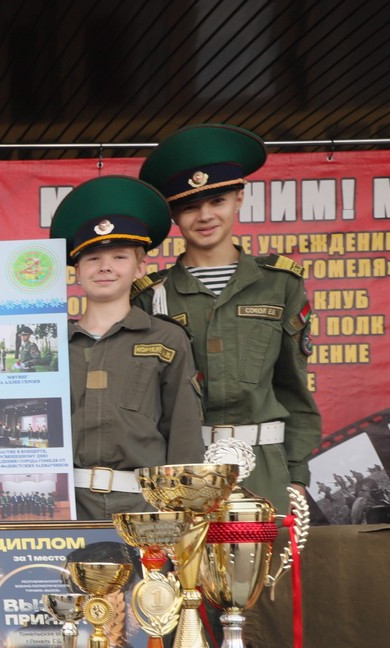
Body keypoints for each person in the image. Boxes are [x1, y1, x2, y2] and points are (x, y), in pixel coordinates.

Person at [136, 124, 321, 512]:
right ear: (173, 214)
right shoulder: (150, 296)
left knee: (265, 556)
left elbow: (294, 389)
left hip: (266, 469)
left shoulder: (280, 284)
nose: (205, 216)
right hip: (182, 469)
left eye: (217, 200)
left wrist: (296, 476)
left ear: (239, 198)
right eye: (190, 206)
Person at [50, 176, 205, 520]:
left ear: (140, 267)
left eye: (119, 257)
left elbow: (183, 433)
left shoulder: (166, 339)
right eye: (92, 258)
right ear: (76, 271)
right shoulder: (53, 343)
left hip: (144, 506)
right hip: (67, 507)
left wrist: (182, 513)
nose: (105, 267)